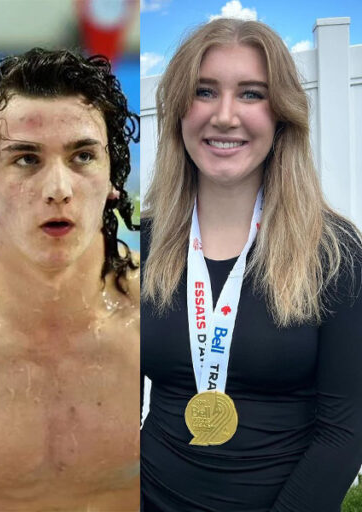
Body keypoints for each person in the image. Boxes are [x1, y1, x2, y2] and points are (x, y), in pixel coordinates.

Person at [141, 18, 362, 511]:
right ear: (179, 110)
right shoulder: (142, 245)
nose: (224, 116)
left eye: (251, 94)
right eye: (204, 91)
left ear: (281, 115)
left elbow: (344, 431)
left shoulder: (334, 251)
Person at [0, 48, 140, 511]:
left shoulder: (164, 314)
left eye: (83, 156)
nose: (58, 189)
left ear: (114, 178)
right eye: (27, 159)